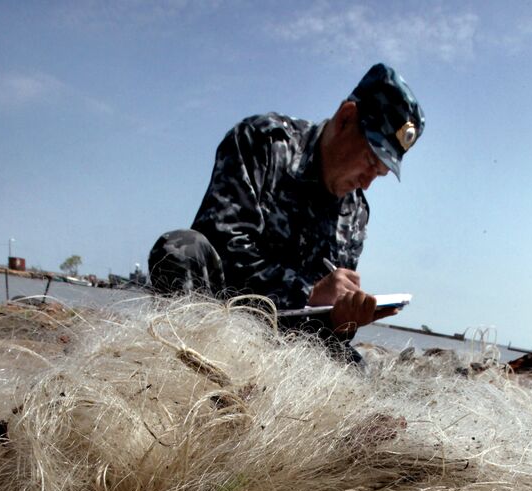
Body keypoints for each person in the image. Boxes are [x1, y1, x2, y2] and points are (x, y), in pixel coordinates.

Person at [148, 63, 424, 360]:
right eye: (370, 161)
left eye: (380, 173)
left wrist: (343, 320)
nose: (367, 183)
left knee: (355, 366)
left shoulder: (356, 211)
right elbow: (222, 244)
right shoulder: (262, 142)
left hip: (288, 346)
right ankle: (182, 364)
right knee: (180, 249)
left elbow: (322, 321)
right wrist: (306, 292)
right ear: (346, 118)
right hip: (219, 318)